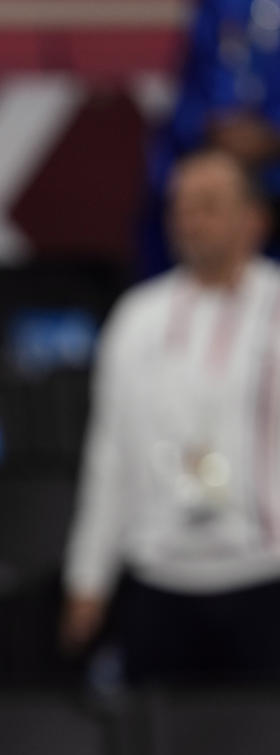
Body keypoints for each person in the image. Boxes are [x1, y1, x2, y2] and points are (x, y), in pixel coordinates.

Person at [62, 147, 280, 683]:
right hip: (159, 576)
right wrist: (88, 576)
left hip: (265, 573)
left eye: (208, 205)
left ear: (254, 219)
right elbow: (108, 453)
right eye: (180, 206)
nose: (190, 220)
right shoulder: (138, 317)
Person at [145, 0, 280, 271]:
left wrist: (273, 135)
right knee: (179, 190)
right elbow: (194, 73)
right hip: (217, 156)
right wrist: (211, 126)